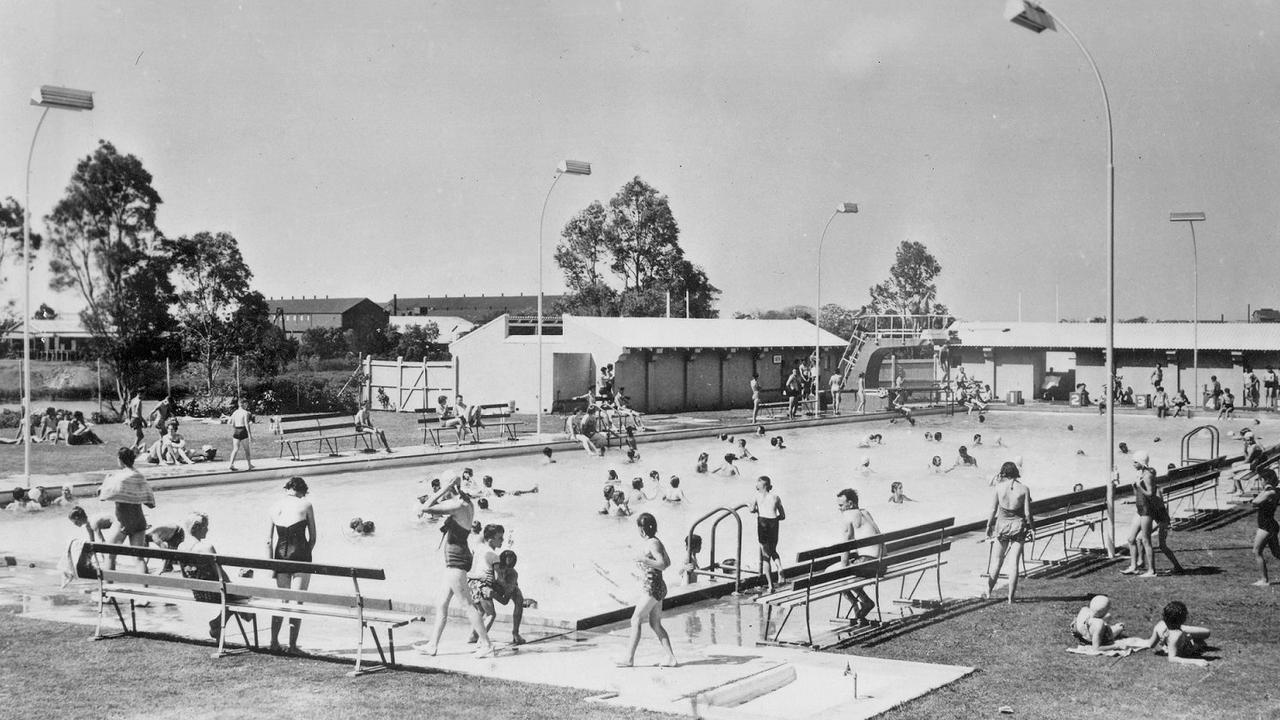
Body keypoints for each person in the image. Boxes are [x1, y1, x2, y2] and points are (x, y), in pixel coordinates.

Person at [418, 472, 495, 658]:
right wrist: (450, 488)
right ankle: (432, 645)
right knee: (442, 604)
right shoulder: (465, 502)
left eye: (445, 486)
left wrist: (444, 489)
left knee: (467, 605)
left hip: (456, 560)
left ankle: (486, 644)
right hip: (456, 559)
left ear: (449, 486)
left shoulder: (457, 505)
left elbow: (426, 507)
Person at [181, 512, 254, 639]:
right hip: (214, 593)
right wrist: (233, 586)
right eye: (205, 526)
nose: (208, 529)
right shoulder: (206, 547)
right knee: (248, 594)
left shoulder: (181, 547)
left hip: (198, 592)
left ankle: (219, 623)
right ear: (196, 528)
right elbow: (221, 574)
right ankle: (225, 621)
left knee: (237, 595)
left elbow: (184, 575)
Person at [617, 512, 677, 668]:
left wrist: (644, 559)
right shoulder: (657, 542)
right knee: (655, 623)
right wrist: (650, 561)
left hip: (652, 588)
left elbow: (663, 564)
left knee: (635, 619)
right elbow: (668, 562)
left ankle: (629, 659)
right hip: (657, 586)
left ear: (642, 530)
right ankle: (671, 658)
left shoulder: (651, 544)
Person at [267, 476, 317, 654]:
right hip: (301, 555)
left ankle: (273, 642)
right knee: (297, 602)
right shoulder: (306, 505)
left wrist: (272, 565)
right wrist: (305, 553)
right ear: (302, 491)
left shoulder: (274, 506)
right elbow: (313, 538)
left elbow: (268, 541)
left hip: (279, 555)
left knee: (282, 601)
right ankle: (293, 646)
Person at [1121, 451, 1184, 577]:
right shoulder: (1141, 474)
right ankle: (1134, 566)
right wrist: (1135, 487)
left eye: (1135, 462)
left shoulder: (1148, 475)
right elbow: (1139, 494)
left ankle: (1152, 571)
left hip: (1148, 511)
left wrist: (1139, 485)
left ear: (1141, 462)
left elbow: (1150, 493)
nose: (1133, 464)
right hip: (1141, 509)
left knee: (1147, 541)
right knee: (1131, 539)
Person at [983, 461, 1034, 604]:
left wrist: (988, 526)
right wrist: (1033, 528)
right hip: (1018, 527)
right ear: (1016, 472)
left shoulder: (999, 488)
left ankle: (988, 591)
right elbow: (1028, 513)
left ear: (1003, 473)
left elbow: (993, 510)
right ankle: (1011, 598)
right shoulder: (1024, 489)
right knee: (1014, 564)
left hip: (1002, 527)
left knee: (997, 562)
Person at [99, 448, 155, 571]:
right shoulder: (139, 476)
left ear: (120, 459)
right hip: (139, 520)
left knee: (110, 555)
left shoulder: (118, 477)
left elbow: (103, 496)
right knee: (138, 558)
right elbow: (150, 503)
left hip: (123, 521)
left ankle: (108, 587)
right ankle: (145, 587)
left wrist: (106, 481)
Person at [837, 488, 881, 625]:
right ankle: (863, 602)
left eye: (841, 505)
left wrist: (843, 567)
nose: (839, 508)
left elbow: (847, 542)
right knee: (846, 570)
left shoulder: (848, 515)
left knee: (835, 574)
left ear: (850, 504)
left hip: (869, 564)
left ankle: (859, 605)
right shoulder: (865, 513)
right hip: (882, 563)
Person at [1140, 601, 1211, 667]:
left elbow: (1151, 644)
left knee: (1206, 633)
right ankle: (1181, 634)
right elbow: (1172, 658)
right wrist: (1195, 661)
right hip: (1176, 632)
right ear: (1183, 619)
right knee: (1202, 639)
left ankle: (1179, 631)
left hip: (1173, 629)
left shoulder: (1159, 625)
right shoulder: (1175, 636)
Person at [751, 476, 785, 593]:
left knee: (765, 556)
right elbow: (783, 516)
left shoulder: (757, 496)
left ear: (759, 487)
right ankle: (779, 567)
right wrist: (776, 519)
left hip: (762, 522)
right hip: (773, 522)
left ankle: (771, 586)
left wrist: (755, 509)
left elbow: (751, 509)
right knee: (773, 549)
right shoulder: (775, 497)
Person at [1250, 468, 1280, 586]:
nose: (1260, 482)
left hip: (1266, 526)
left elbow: (1255, 502)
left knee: (1257, 551)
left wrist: (1265, 490)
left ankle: (1264, 580)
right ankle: (1264, 579)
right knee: (1277, 553)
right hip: (1270, 525)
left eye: (1261, 479)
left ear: (1266, 480)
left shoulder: (1269, 492)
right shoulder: (1276, 491)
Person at [228, 398, 254, 471]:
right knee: (247, 450)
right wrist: (250, 435)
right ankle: (249, 465)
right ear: (244, 404)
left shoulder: (235, 412)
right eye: (246, 404)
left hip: (236, 431)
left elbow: (230, 422)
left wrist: (235, 428)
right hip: (243, 430)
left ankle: (231, 464)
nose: (247, 406)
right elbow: (246, 423)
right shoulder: (245, 413)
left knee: (235, 449)